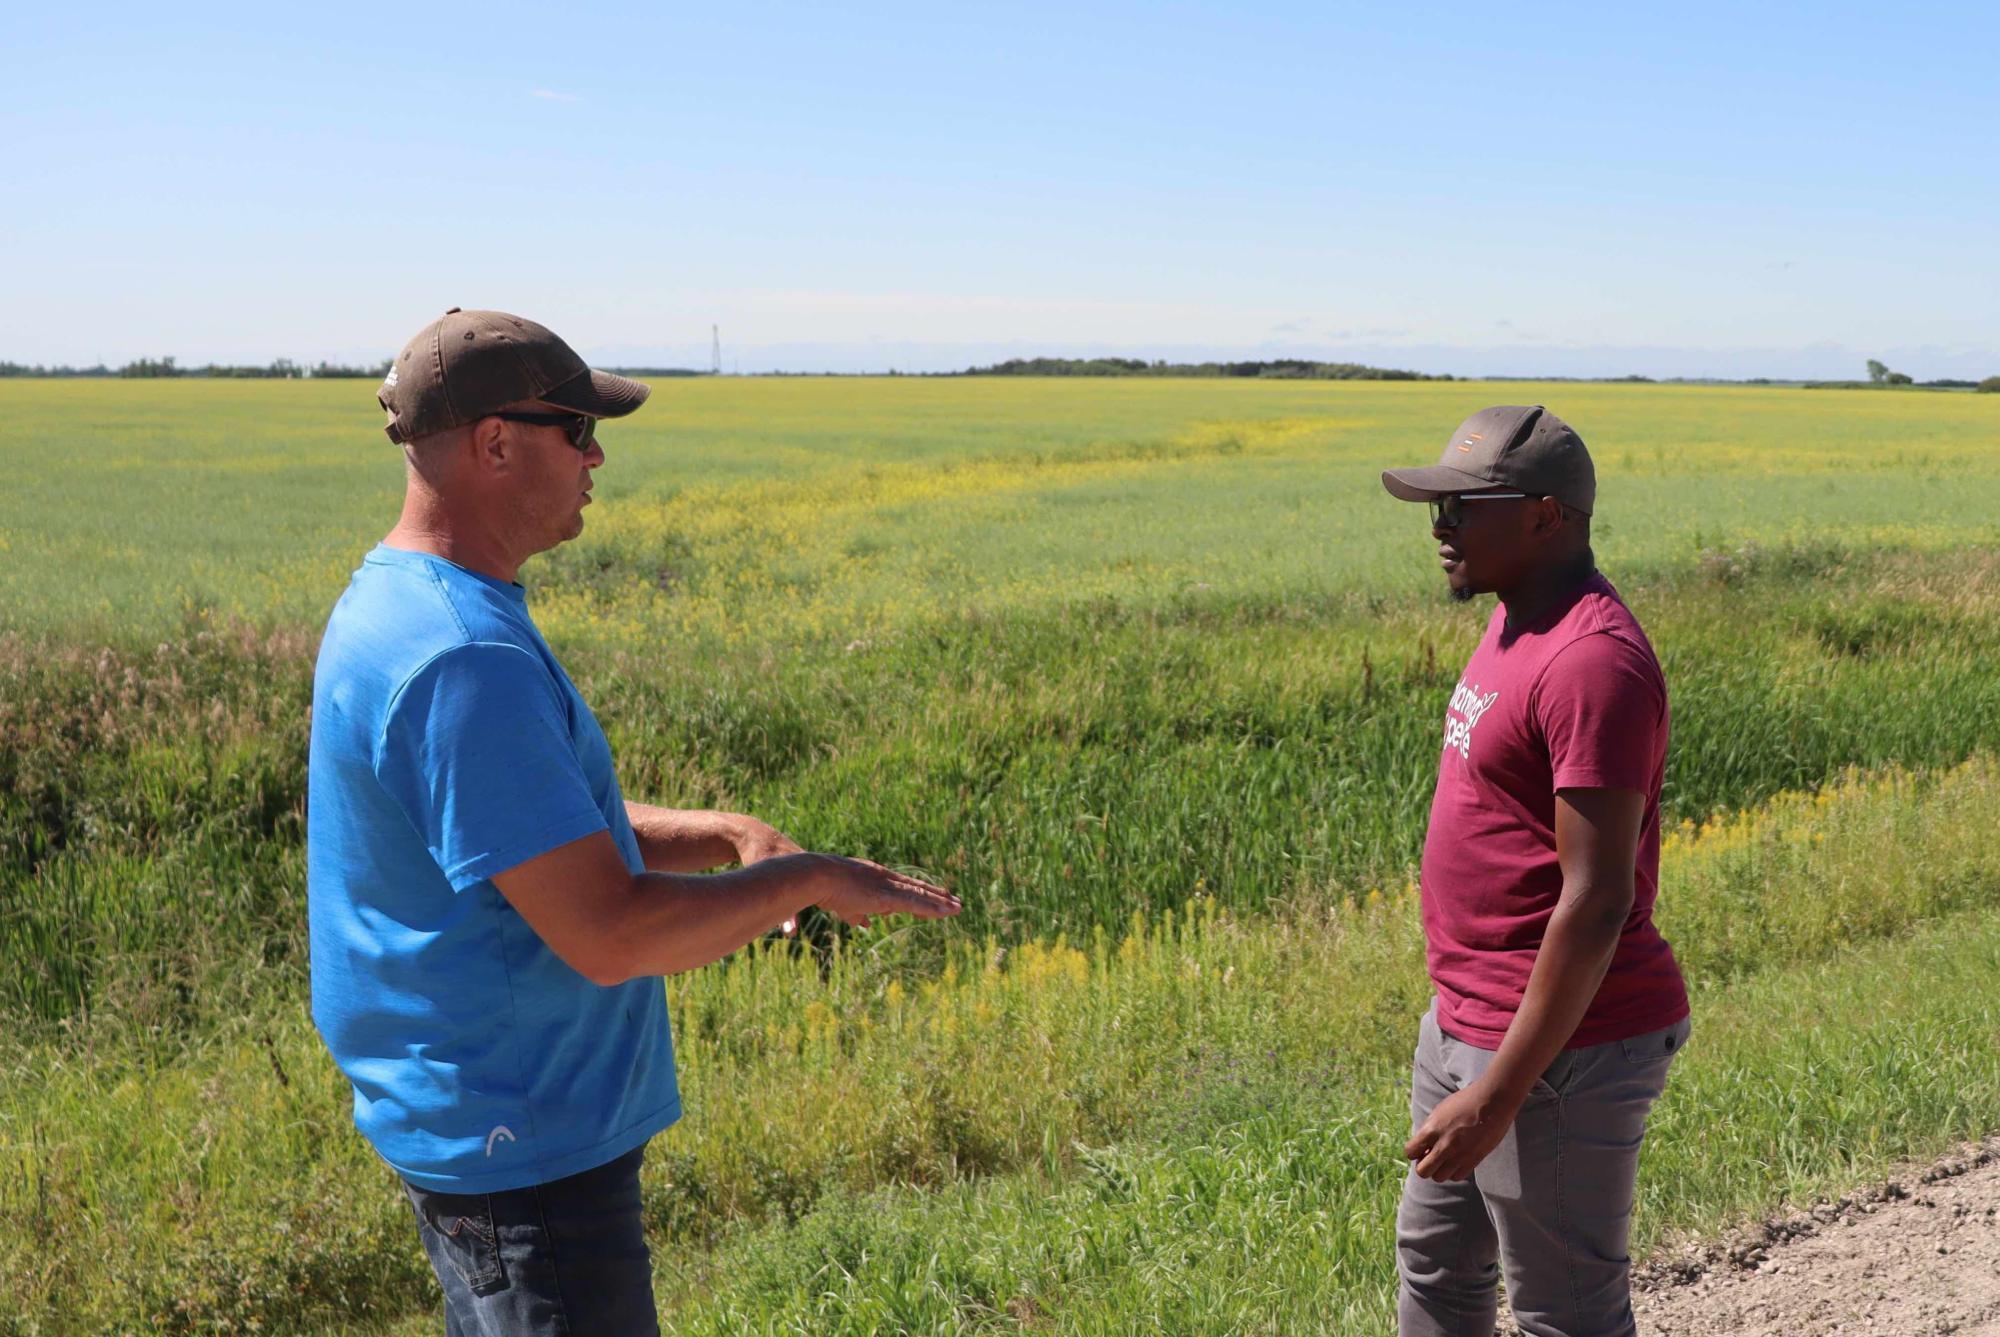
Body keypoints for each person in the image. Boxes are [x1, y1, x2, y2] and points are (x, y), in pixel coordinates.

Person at [306, 308, 960, 1335]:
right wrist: (804, 879)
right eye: (576, 427)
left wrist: (721, 831)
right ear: (494, 444)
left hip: (486, 1137)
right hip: (524, 1159)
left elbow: (526, 831)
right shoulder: (458, 655)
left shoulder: (402, 601)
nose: (595, 452)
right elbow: (610, 933)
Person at [1379, 405, 1690, 1337]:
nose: (1439, 528)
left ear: (1546, 516)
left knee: (1568, 1314)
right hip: (1469, 1024)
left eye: (1463, 506)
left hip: (1561, 1050)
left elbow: (1599, 900)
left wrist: (1501, 1091)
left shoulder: (1593, 661)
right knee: (1438, 1268)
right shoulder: (1519, 620)